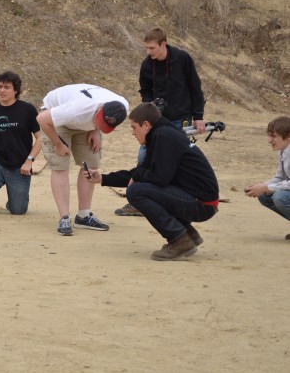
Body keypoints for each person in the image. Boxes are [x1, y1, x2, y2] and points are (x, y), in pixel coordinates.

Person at [88, 102, 219, 261]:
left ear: (146, 125)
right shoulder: (162, 134)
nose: (133, 133)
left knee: (136, 192)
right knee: (141, 187)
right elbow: (141, 172)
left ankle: (179, 240)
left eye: (134, 127)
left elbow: (160, 178)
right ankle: (188, 233)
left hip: (202, 204)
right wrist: (103, 178)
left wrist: (137, 177)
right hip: (200, 200)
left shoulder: (163, 136)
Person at [116, 27, 206, 217]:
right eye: (147, 48)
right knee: (144, 157)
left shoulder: (182, 59)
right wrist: (150, 104)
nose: (149, 52)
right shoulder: (147, 65)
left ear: (163, 44)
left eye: (152, 48)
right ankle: (138, 201)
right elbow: (145, 90)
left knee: (175, 161)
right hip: (156, 119)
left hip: (181, 117)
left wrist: (198, 117)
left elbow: (195, 87)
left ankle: (172, 199)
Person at [36, 84, 129, 236]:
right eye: (100, 121)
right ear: (98, 110)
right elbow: (42, 119)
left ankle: (84, 215)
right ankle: (64, 217)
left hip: (84, 121)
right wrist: (58, 144)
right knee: (60, 165)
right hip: (55, 120)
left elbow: (102, 117)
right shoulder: (75, 109)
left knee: (90, 165)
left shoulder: (121, 105)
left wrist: (95, 129)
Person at [0, 71, 42, 215]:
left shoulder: (28, 110)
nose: (1, 90)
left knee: (18, 210)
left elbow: (40, 138)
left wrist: (29, 161)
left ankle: (14, 196)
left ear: (15, 90)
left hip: (21, 165)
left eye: (6, 87)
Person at [245, 116, 290, 240]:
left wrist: (265, 187)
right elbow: (280, 177)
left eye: (274, 136)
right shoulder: (284, 151)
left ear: (288, 136)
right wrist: (260, 186)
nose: (269, 140)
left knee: (280, 197)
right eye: (269, 135)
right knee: (265, 196)